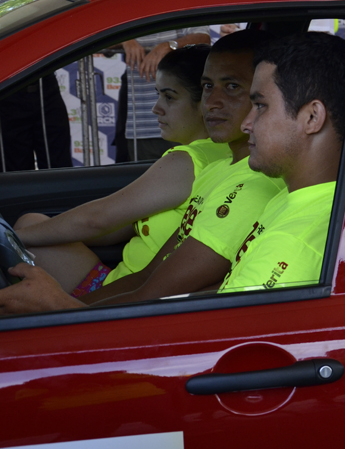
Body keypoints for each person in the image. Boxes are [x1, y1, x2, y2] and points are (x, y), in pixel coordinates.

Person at [14, 46, 230, 294]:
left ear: (204, 103)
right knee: (31, 223)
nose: (156, 108)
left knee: (27, 230)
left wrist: (18, 239)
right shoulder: (223, 154)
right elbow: (110, 228)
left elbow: (97, 219)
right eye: (158, 94)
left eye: (169, 97)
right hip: (128, 286)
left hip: (120, 293)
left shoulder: (188, 160)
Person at [221, 32, 345, 291]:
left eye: (260, 106)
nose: (245, 124)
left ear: (312, 117)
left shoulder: (293, 242)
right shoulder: (297, 198)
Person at [120, 0, 211, 161]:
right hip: (140, 120)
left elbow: (203, 37)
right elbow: (97, 32)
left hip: (182, 117)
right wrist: (125, 39)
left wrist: (167, 46)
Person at [0, 0, 72, 172]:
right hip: (6, 97)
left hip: (45, 92)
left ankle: (63, 211)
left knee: (59, 169)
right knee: (14, 174)